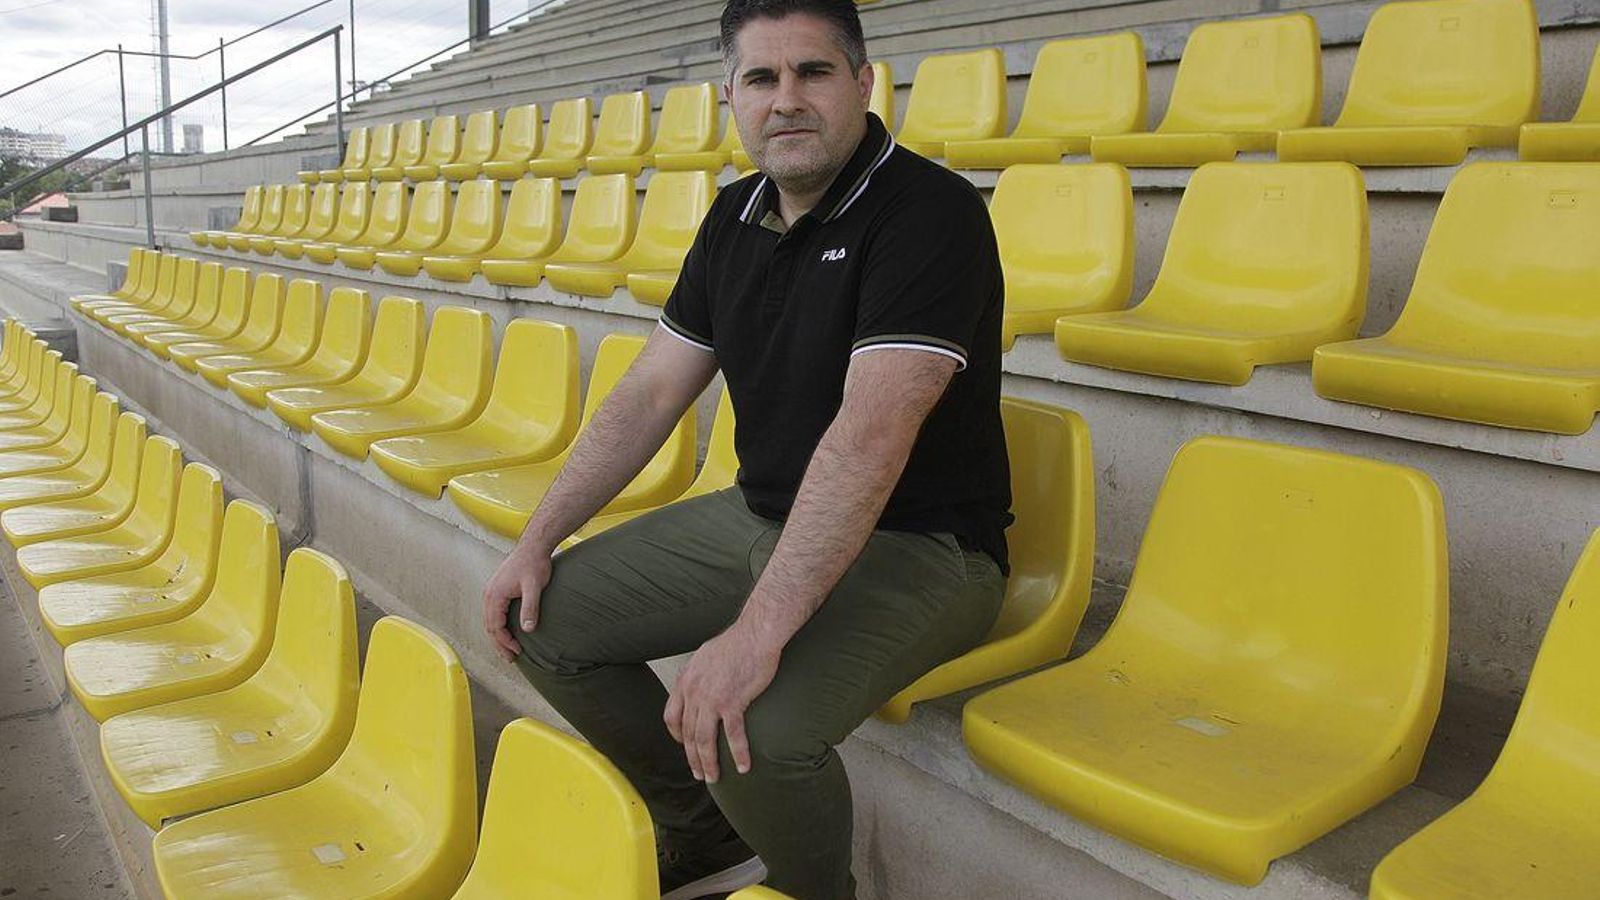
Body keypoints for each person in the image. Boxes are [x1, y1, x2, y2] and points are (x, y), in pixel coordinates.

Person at [481, 1, 1012, 896]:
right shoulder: (734, 215)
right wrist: (536, 541)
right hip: (760, 514)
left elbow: (870, 432)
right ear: (731, 96)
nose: (787, 99)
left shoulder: (931, 212)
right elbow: (650, 393)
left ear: (864, 83)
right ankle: (704, 836)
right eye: (761, 78)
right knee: (540, 623)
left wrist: (755, 635)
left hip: (923, 545)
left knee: (752, 735)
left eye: (814, 72)